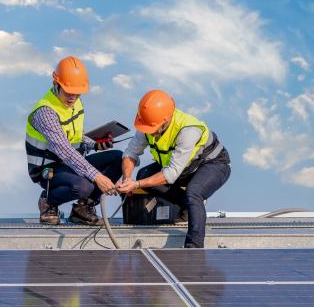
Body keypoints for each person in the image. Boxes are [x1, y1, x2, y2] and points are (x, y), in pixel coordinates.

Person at [116, 90, 231, 248]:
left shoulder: (188, 130)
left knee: (194, 192)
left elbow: (170, 174)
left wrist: (136, 185)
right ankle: (187, 206)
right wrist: (127, 178)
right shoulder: (148, 125)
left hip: (213, 165)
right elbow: (130, 153)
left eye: (153, 129)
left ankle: (194, 246)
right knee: (144, 174)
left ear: (166, 119)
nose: (150, 132)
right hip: (183, 167)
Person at [25, 56, 122, 226]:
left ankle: (82, 208)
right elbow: (65, 150)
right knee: (85, 185)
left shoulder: (75, 102)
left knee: (118, 158)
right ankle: (48, 201)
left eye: (77, 93)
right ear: (56, 83)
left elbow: (74, 136)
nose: (73, 97)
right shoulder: (45, 112)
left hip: (70, 164)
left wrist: (95, 144)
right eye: (69, 92)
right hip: (49, 169)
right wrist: (98, 176)